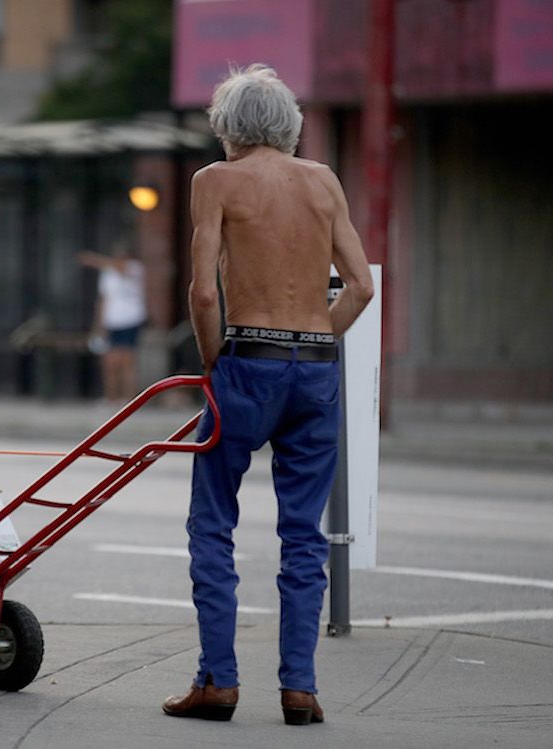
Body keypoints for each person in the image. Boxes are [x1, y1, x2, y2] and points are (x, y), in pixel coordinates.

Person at [161, 64, 374, 726]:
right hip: (313, 366)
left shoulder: (216, 181)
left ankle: (218, 681)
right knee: (302, 532)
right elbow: (361, 286)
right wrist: (312, 343)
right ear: (289, 123)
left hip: (245, 362)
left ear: (228, 126)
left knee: (212, 521)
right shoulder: (323, 181)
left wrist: (214, 356)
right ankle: (300, 688)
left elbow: (202, 291)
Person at [77, 241, 147, 403]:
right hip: (112, 321)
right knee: (109, 361)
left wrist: (93, 260)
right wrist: (98, 326)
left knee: (126, 360)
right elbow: (104, 300)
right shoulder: (108, 274)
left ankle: (129, 398)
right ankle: (112, 397)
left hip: (130, 319)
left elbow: (120, 268)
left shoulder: (136, 269)